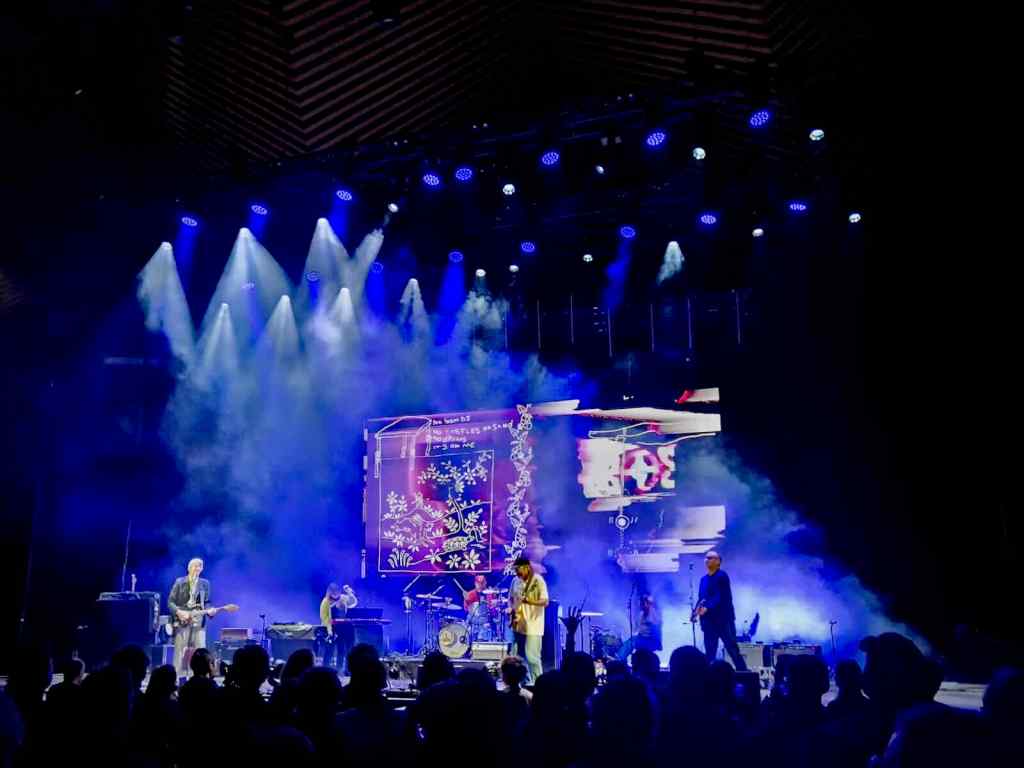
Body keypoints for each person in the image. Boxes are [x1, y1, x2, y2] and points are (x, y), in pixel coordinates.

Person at [168, 558, 222, 677]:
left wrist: (210, 611)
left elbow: (207, 602)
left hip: (199, 622)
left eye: (199, 566)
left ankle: (200, 677)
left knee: (201, 652)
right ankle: (175, 677)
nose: (197, 568)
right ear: (189, 568)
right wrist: (178, 612)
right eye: (194, 566)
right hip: (182, 621)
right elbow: (170, 602)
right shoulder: (180, 582)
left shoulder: (205, 584)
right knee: (179, 652)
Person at [696, 550, 747, 670]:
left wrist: (706, 608)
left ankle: (744, 673)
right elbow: (701, 598)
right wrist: (695, 612)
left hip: (723, 620)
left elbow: (720, 597)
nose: (707, 560)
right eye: (706, 558)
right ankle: (710, 677)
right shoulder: (703, 580)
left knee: (732, 648)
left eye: (710, 558)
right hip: (709, 622)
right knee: (710, 651)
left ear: (718, 561)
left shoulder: (722, 576)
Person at [509, 556, 548, 685]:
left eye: (518, 569)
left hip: (533, 625)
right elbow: (511, 598)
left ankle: (538, 684)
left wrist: (528, 601)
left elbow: (545, 601)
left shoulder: (538, 580)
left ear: (526, 568)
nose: (516, 572)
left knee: (532, 657)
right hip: (518, 624)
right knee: (515, 657)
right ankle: (520, 683)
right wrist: (510, 609)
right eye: (515, 569)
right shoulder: (515, 581)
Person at [318, 582, 358, 670]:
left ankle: (341, 670)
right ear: (330, 592)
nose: (336, 594)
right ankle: (325, 670)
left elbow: (353, 603)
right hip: (331, 629)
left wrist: (349, 593)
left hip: (343, 629)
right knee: (329, 651)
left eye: (337, 592)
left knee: (342, 650)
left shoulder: (343, 598)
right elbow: (324, 618)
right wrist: (329, 631)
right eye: (334, 592)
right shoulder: (326, 602)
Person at [617, 593, 662, 661]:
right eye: (640, 603)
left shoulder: (654, 614)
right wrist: (629, 612)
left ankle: (619, 660)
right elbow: (635, 629)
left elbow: (655, 625)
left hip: (651, 641)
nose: (640, 605)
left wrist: (650, 605)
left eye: (642, 603)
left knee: (631, 642)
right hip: (641, 639)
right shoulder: (641, 614)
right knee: (629, 642)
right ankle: (621, 660)